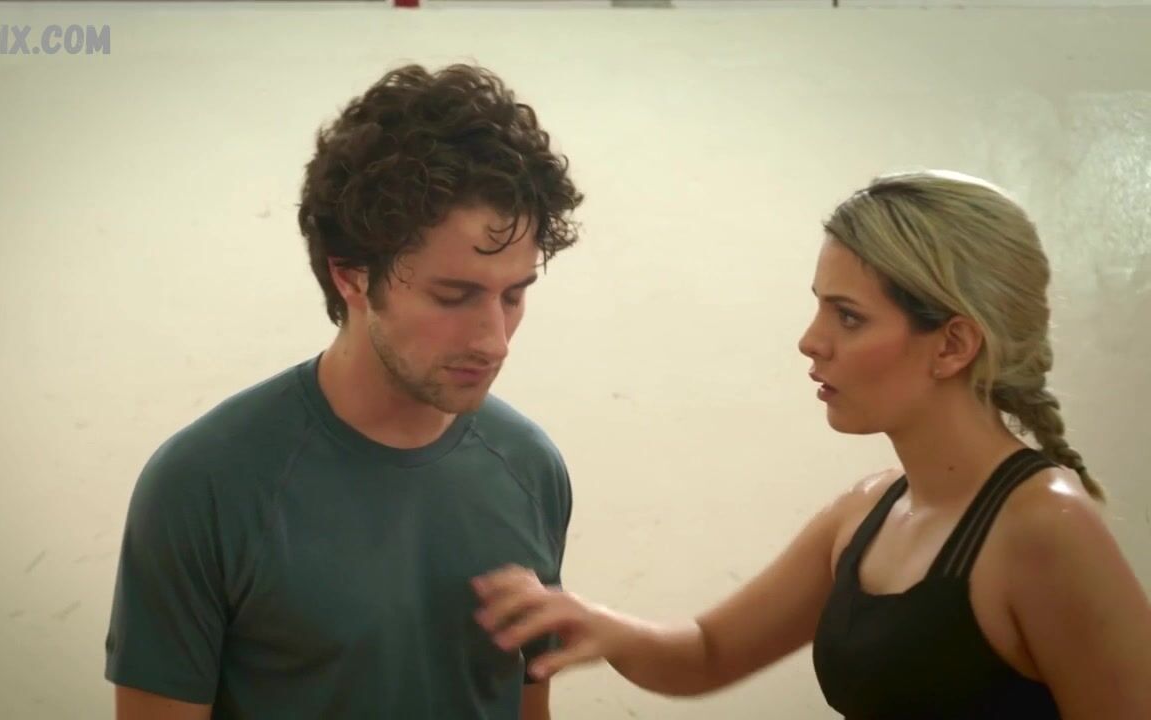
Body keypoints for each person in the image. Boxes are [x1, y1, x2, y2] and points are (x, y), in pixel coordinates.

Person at [472, 170, 1151, 719]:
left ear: (952, 344)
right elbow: (708, 653)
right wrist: (597, 625)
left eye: (848, 316)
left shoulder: (1046, 527)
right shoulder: (868, 510)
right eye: (821, 306)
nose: (810, 340)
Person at [104, 62, 584, 720]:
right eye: (454, 295)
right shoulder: (204, 485)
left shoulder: (531, 467)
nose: (496, 341)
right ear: (352, 276)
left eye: (515, 295)